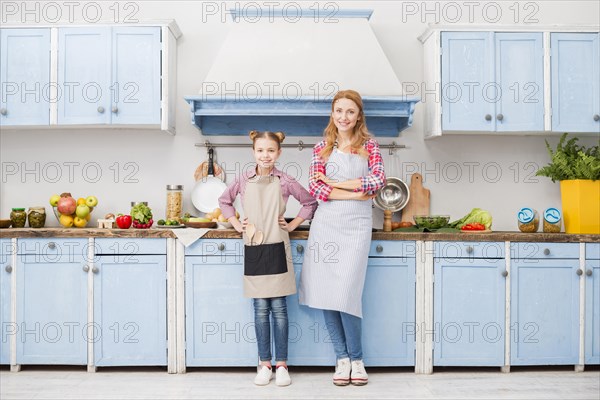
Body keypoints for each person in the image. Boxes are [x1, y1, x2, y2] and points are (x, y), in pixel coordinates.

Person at [299, 90, 386, 386]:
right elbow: (316, 189)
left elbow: (376, 183)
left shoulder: (370, 147)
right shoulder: (321, 148)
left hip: (357, 227)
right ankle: (342, 359)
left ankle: (358, 359)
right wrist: (355, 191)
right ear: (332, 114)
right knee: (326, 292)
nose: (344, 117)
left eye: (350, 111)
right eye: (339, 111)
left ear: (358, 115)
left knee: (348, 292)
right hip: (326, 225)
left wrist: (335, 183)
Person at [218, 130, 317, 387]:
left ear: (279, 153)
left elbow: (310, 202)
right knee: (261, 309)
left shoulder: (285, 181)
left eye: (270, 151)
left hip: (278, 244)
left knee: (280, 309)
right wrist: (236, 223)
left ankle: (282, 364)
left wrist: (293, 223)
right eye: (260, 150)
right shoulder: (242, 180)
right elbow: (224, 201)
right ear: (253, 152)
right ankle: (264, 364)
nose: (265, 155)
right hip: (254, 244)